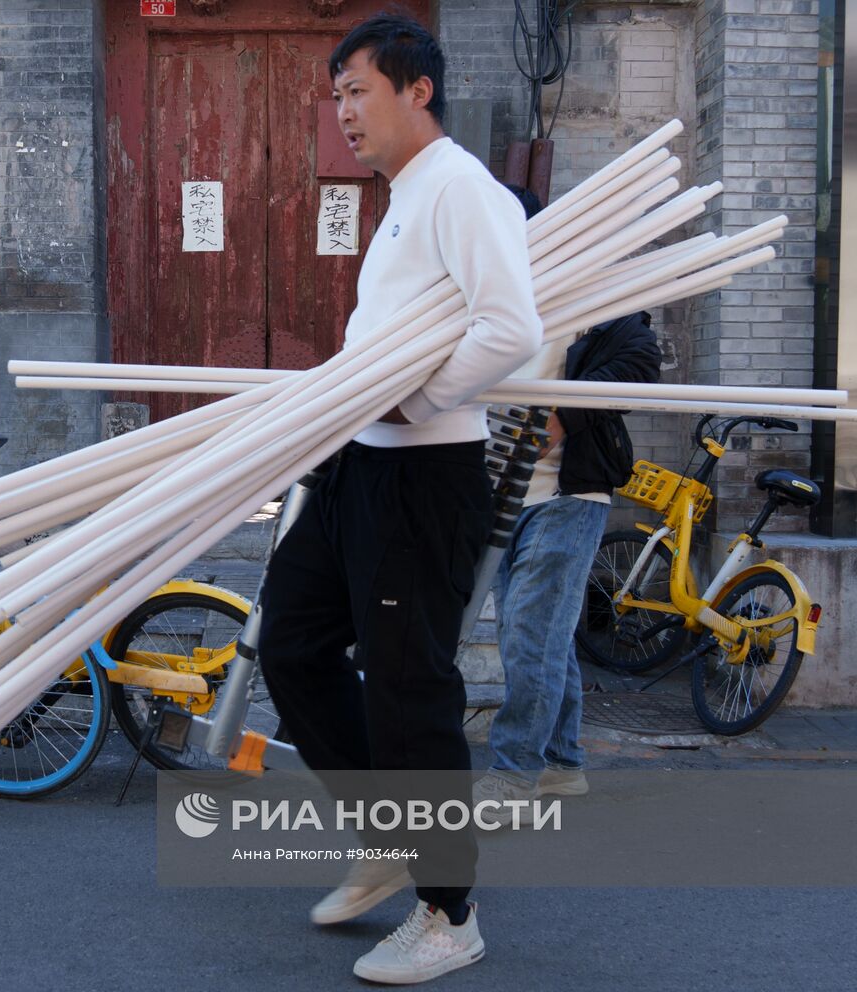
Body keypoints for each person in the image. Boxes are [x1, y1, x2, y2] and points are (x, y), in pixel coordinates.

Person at [256, 13, 542, 985]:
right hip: (355, 465)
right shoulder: (402, 197)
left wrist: (412, 395)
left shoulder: (460, 188)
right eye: (334, 95)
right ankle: (389, 832)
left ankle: (447, 910)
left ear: (416, 90)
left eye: (356, 91)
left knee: (409, 688)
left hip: (422, 477)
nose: (342, 112)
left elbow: (512, 330)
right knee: (290, 642)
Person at [474, 186, 663, 818]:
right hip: (503, 493)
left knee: (530, 633)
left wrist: (565, 410)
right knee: (541, 634)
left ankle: (514, 773)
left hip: (567, 495)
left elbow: (641, 362)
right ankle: (561, 762)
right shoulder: (493, 299)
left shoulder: (594, 302)